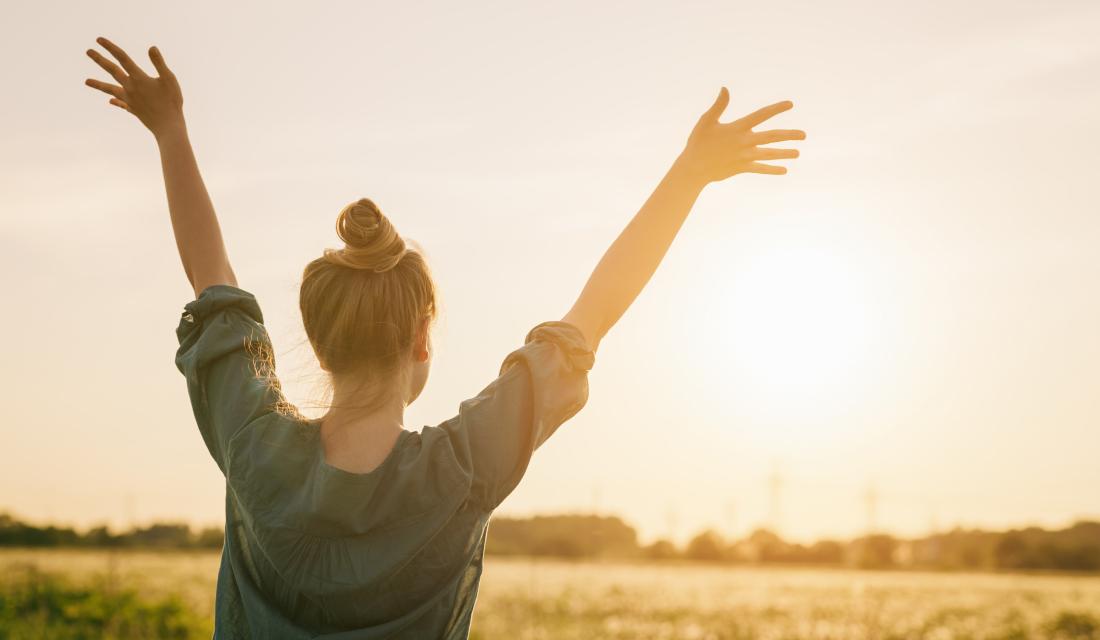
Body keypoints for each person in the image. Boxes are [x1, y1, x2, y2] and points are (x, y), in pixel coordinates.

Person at [84, 36, 805, 639]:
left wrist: (170, 130)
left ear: (317, 336)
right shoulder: (462, 469)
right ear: (422, 341)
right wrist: (689, 174)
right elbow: (592, 314)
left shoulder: (252, 445)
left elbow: (213, 282)